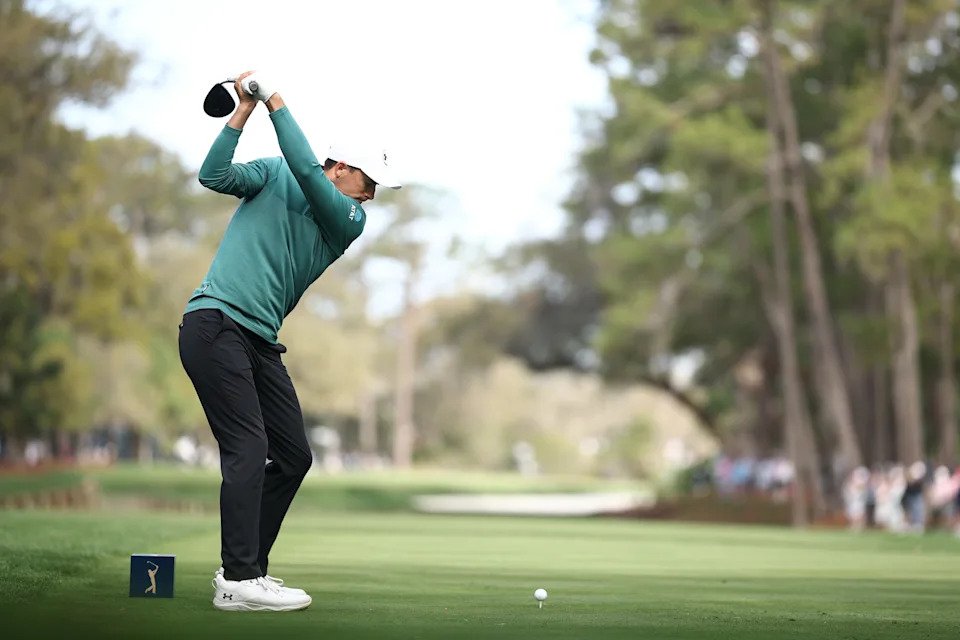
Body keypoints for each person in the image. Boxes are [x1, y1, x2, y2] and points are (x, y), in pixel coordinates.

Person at [179, 70, 401, 612]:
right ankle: (238, 579)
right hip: (214, 323)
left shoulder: (348, 218)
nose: (372, 194)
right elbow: (212, 175)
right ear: (341, 167)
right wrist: (244, 111)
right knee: (248, 448)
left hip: (258, 340)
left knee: (294, 456)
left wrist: (275, 101)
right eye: (369, 181)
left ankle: (248, 570)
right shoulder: (273, 172)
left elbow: (305, 169)